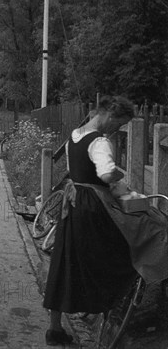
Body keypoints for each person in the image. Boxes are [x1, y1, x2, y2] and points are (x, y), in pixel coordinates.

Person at [42, 95, 168, 346]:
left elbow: (77, 171)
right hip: (94, 207)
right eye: (119, 123)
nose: (118, 128)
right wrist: (120, 178)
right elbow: (105, 173)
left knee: (65, 262)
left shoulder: (75, 136)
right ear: (110, 113)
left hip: (74, 205)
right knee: (149, 229)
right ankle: (127, 296)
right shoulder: (99, 141)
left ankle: (55, 329)